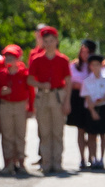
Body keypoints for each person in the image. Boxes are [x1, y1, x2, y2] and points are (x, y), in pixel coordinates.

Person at [30, 26, 73, 174]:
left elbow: (68, 81)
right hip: (43, 96)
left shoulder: (62, 59)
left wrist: (67, 101)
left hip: (57, 95)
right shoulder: (36, 59)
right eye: (45, 41)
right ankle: (46, 163)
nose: (48, 44)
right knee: (44, 131)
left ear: (56, 41)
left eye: (51, 41)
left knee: (57, 131)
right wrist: (40, 84)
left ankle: (57, 162)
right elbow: (29, 80)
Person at [0, 45, 35, 174]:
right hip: (6, 106)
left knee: (20, 135)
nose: (9, 60)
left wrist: (31, 108)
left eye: (12, 57)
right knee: (7, 135)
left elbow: (31, 92)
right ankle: (8, 163)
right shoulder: (2, 74)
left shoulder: (24, 73)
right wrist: (2, 92)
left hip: (20, 106)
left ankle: (21, 163)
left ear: (18, 59)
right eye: (7, 57)